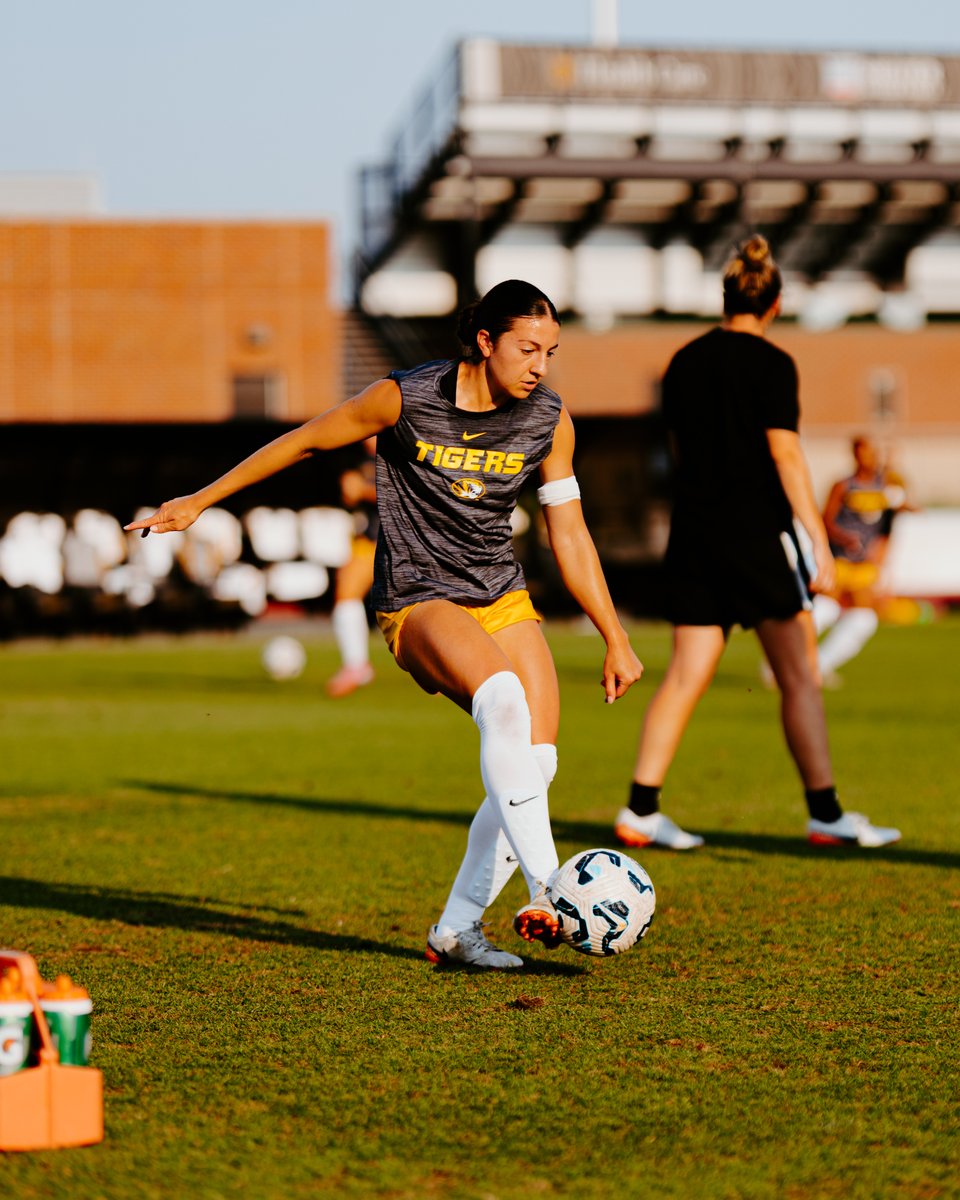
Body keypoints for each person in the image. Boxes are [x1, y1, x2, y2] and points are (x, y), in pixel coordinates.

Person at [126, 279, 643, 969]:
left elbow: (571, 534)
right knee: (505, 704)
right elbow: (304, 442)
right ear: (485, 341)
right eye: (526, 348)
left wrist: (616, 635)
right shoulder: (405, 398)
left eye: (550, 351)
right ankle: (552, 885)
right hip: (420, 596)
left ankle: (456, 931)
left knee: (534, 763)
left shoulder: (550, 419)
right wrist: (200, 500)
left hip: (502, 595)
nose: (540, 366)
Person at [612, 236, 900, 852]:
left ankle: (640, 808)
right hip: (754, 537)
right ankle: (826, 814)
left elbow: (682, 453)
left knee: (686, 676)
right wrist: (817, 539)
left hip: (694, 535)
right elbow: (785, 453)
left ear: (727, 297)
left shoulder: (683, 361)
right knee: (799, 676)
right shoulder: (773, 363)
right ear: (774, 304)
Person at [812, 435, 914, 686]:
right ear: (855, 455)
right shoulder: (844, 486)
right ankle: (780, 664)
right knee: (824, 608)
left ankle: (819, 666)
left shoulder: (886, 486)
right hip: (840, 561)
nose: (869, 458)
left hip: (866, 566)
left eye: (872, 453)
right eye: (864, 453)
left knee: (863, 618)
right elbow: (826, 519)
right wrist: (842, 537)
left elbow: (893, 521)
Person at [325, 437, 378, 697]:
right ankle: (357, 665)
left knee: (433, 600)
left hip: (408, 539)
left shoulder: (410, 451)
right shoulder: (364, 463)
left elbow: (416, 494)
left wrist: (363, 491)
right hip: (371, 538)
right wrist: (350, 490)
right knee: (346, 590)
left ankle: (440, 665)